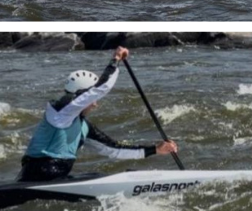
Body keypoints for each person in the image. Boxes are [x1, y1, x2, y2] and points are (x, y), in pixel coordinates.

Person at [17, 46, 179, 182]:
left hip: (57, 178)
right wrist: (116, 59)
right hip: (35, 175)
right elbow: (100, 88)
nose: (95, 104)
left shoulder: (83, 126)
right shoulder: (60, 110)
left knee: (96, 176)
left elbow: (113, 149)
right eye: (92, 99)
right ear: (82, 96)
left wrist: (155, 150)